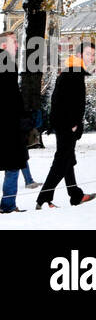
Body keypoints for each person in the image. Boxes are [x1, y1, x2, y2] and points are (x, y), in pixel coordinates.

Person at [36, 42, 96, 210]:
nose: (91, 57)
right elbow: (64, 102)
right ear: (78, 55)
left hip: (65, 124)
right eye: (88, 54)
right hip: (67, 125)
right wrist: (72, 124)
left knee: (67, 160)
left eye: (93, 54)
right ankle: (43, 199)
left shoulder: (73, 72)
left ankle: (76, 195)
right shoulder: (72, 73)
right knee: (62, 162)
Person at [1, 32, 28, 213]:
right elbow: (11, 95)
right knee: (13, 165)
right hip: (8, 123)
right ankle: (8, 204)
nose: (17, 45)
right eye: (14, 42)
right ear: (4, 45)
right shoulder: (7, 62)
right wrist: (22, 115)